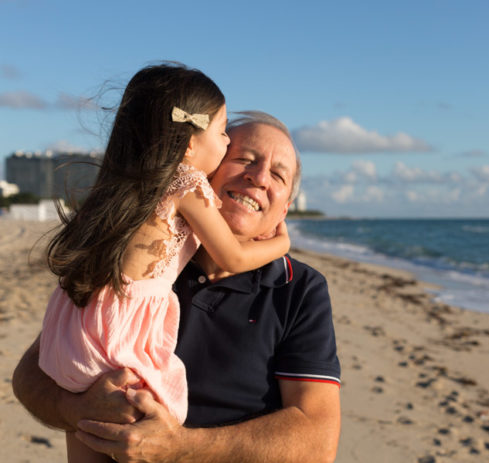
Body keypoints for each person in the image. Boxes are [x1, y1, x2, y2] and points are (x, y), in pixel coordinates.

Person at [13, 111, 342, 463]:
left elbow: (318, 440)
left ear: (284, 210)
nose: (259, 177)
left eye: (278, 174)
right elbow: (31, 373)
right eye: (244, 159)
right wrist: (74, 408)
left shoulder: (299, 288)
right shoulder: (143, 257)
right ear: (206, 166)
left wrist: (178, 448)